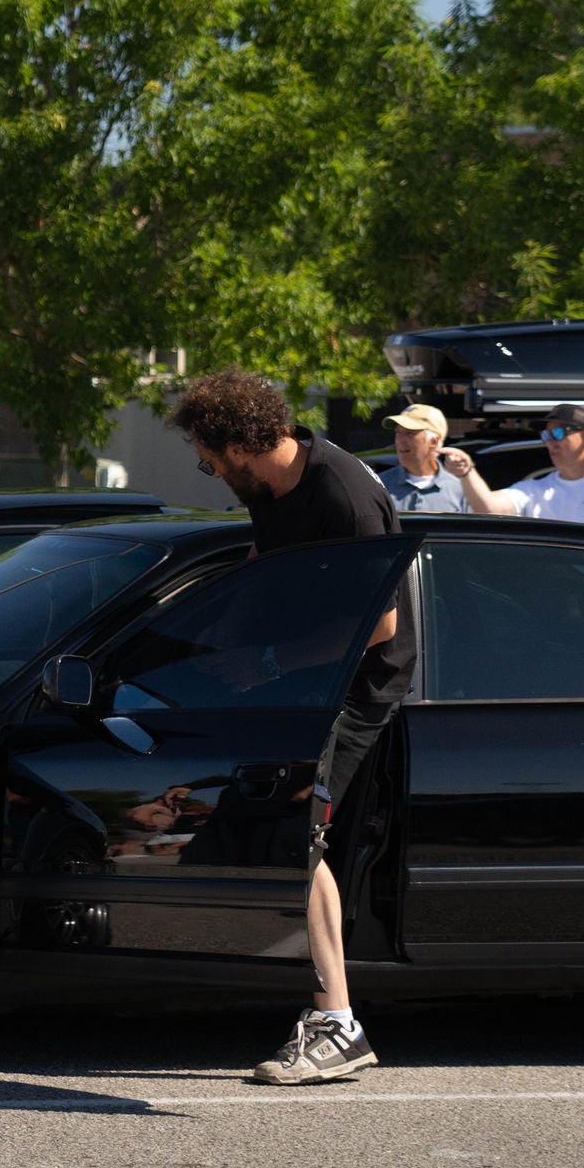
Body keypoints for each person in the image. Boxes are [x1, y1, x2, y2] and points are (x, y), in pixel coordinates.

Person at [170, 370, 417, 1087]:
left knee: (293, 836)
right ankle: (333, 1020)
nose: (208, 472)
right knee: (289, 839)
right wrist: (209, 635)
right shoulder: (271, 490)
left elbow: (380, 624)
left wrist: (267, 660)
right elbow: (264, 569)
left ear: (238, 443)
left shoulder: (341, 492)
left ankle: (336, 1025)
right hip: (299, 680)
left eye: (206, 459)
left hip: (355, 686)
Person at [441, 406, 584, 533]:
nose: (550, 441)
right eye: (546, 435)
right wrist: (466, 472)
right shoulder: (535, 490)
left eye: (559, 433)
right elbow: (488, 508)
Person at [373, 404, 470, 514]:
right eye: (398, 433)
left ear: (433, 441)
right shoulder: (379, 486)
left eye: (409, 433)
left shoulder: (460, 490)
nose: (400, 440)